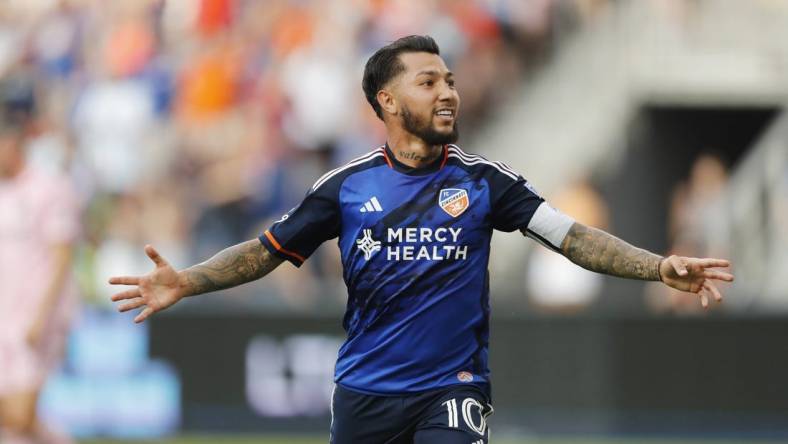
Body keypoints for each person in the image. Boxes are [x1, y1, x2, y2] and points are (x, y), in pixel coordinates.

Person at [109, 35, 734, 444]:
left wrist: (659, 267)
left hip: (453, 388)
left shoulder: (484, 182)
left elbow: (570, 237)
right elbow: (266, 252)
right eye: (428, 82)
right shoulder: (346, 188)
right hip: (364, 394)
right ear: (387, 100)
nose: (449, 93)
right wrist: (187, 280)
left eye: (450, 80)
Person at [0, 117, 79, 444]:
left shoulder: (50, 188)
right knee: (13, 426)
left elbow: (62, 257)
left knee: (20, 414)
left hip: (33, 317)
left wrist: (42, 316)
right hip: (4, 316)